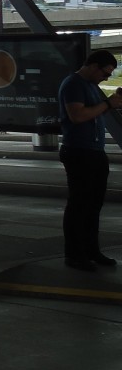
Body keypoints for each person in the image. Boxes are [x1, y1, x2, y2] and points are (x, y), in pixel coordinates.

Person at [56, 49, 122, 271]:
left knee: (93, 205)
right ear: (93, 66)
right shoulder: (73, 84)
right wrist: (109, 104)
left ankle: (91, 250)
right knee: (79, 205)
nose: (106, 77)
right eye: (106, 73)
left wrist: (111, 102)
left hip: (94, 150)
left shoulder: (92, 86)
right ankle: (74, 254)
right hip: (78, 151)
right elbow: (78, 115)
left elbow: (94, 112)